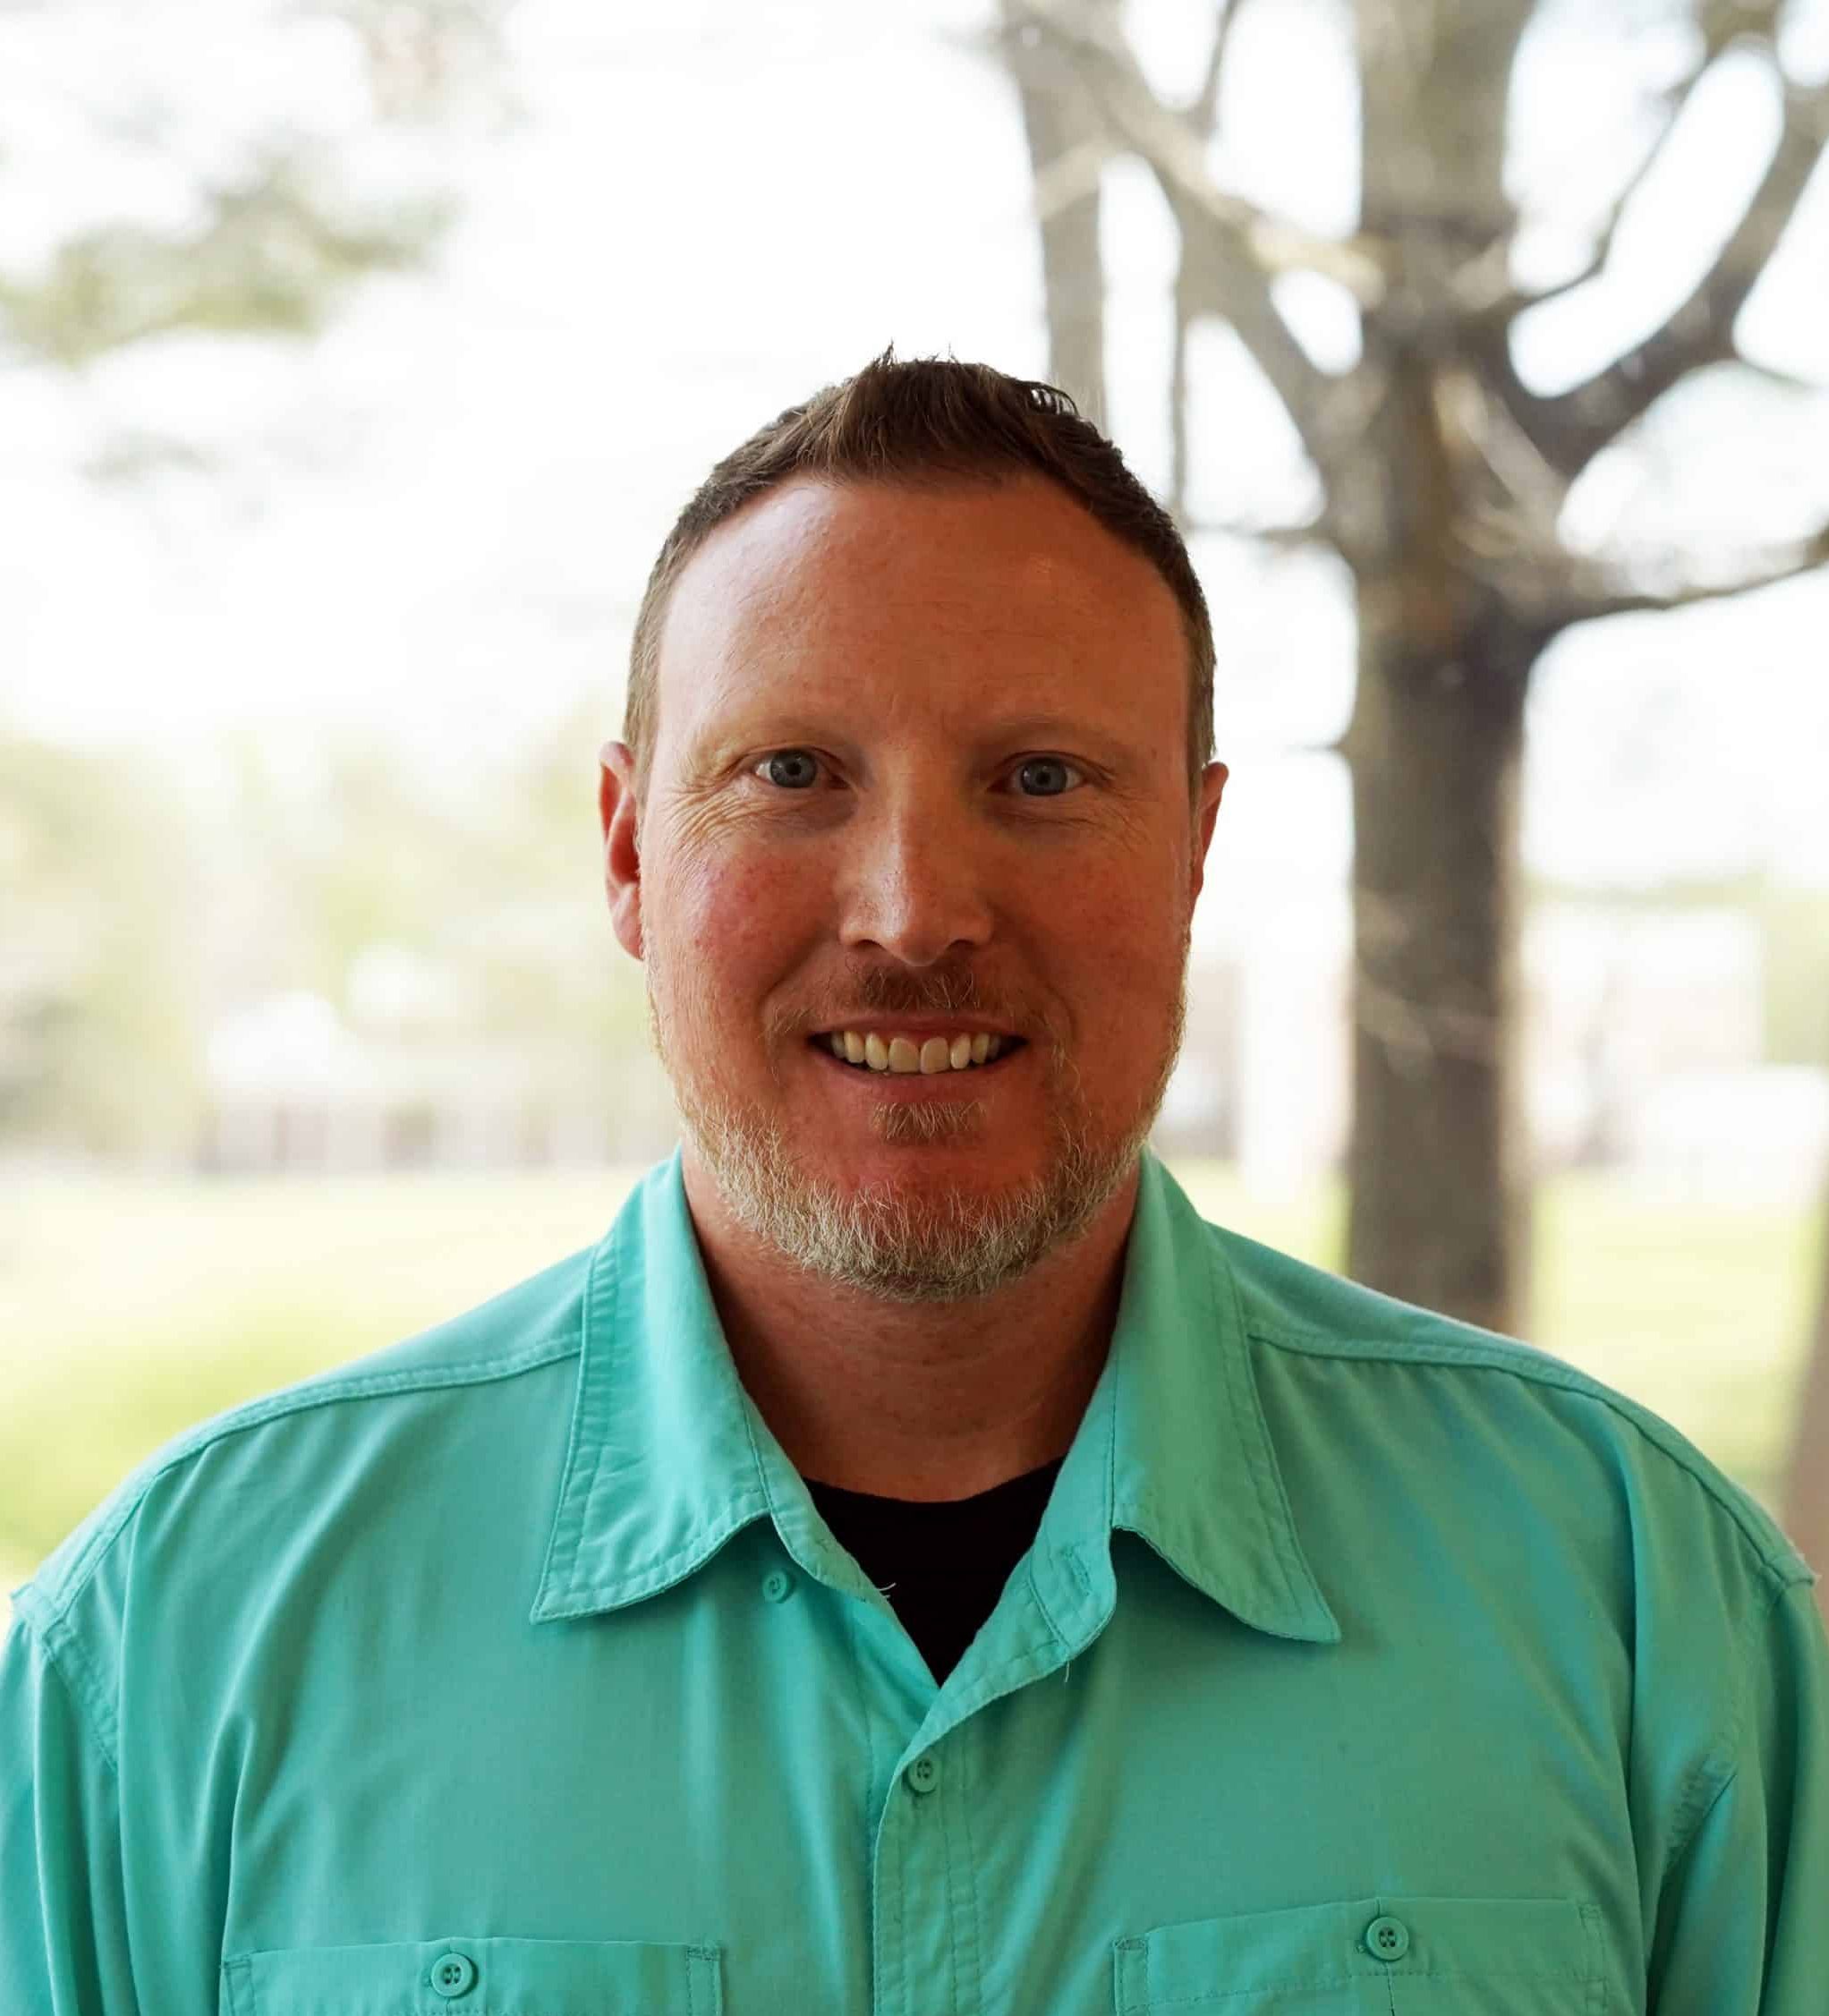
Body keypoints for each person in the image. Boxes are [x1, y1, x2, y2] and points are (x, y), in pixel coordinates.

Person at [3, 351, 1824, 2016]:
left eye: (1038, 778)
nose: (911, 909)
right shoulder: (178, 1642)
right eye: (790, 772)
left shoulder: (1637, 1602)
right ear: (631, 851)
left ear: (1191, 852)